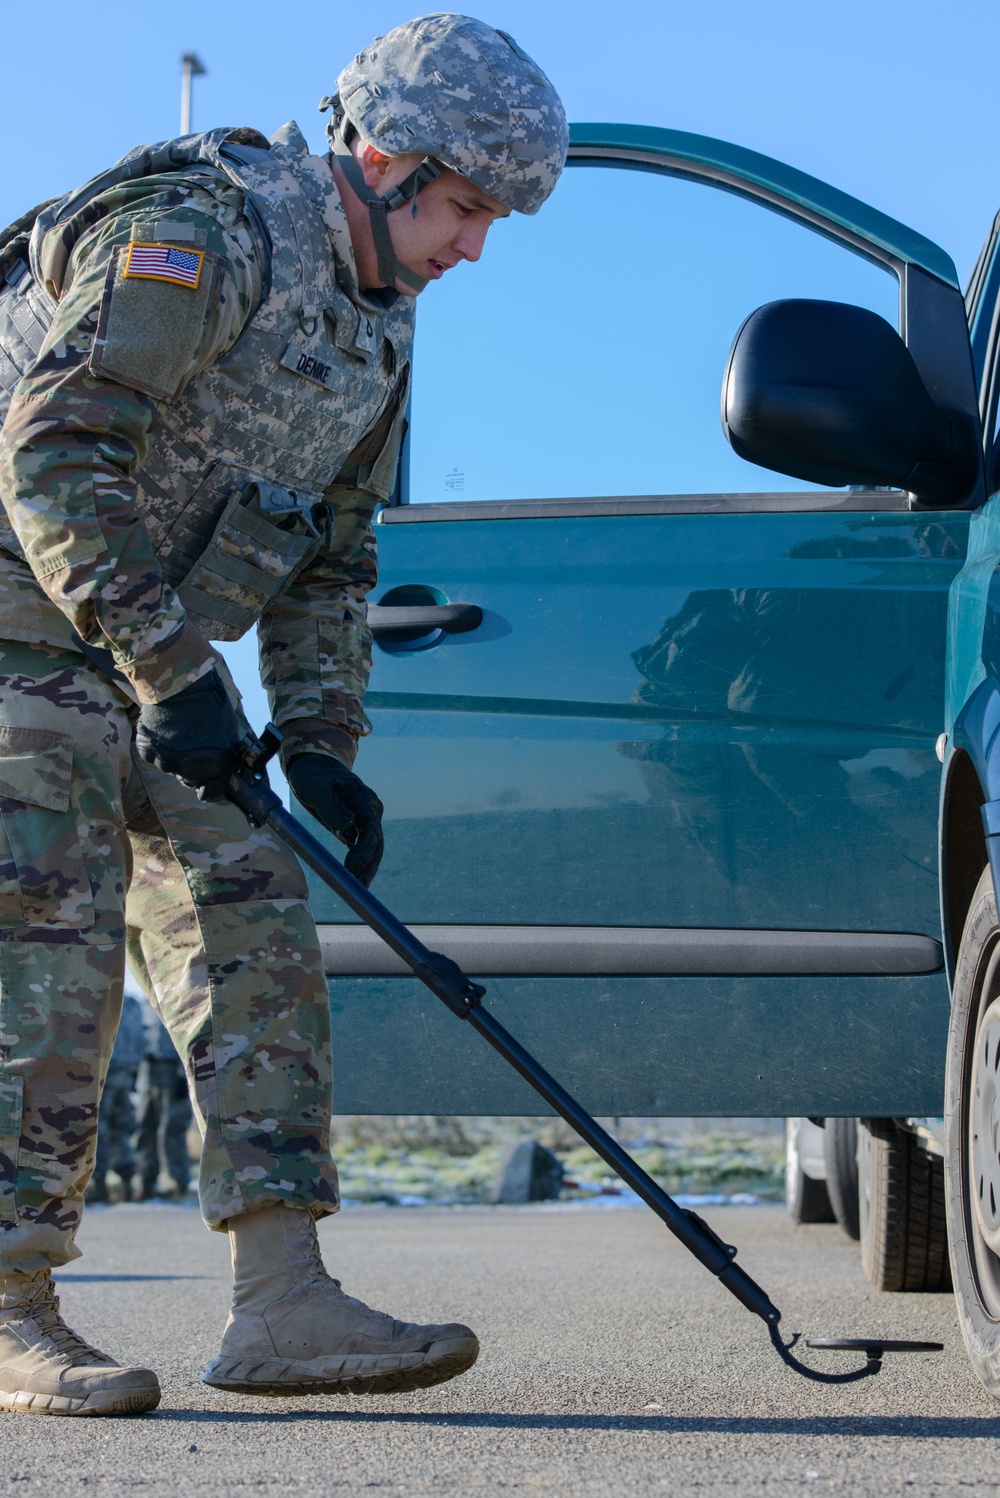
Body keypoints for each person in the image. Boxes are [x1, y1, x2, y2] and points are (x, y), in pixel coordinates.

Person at [0, 13, 566, 1416]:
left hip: (144, 645)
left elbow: (331, 551)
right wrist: (173, 669)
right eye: (464, 206)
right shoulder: (208, 233)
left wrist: (322, 741)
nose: (474, 247)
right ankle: (9, 1302)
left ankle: (282, 1301)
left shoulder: (380, 327)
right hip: (21, 612)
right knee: (49, 927)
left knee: (249, 901)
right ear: (382, 158)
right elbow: (55, 450)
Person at [85, 990, 146, 1205]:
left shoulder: (100, 1000)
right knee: (122, 1127)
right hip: (127, 1073)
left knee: (99, 1127)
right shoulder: (132, 1005)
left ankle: (99, 1183)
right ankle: (127, 1180)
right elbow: (142, 1040)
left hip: (106, 1073)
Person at [135, 1006, 194, 1201]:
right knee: (145, 1130)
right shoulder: (145, 1002)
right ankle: (147, 1183)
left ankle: (178, 1185)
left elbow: (190, 1037)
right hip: (149, 1071)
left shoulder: (178, 995)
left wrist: (182, 1076)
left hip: (174, 1073)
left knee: (171, 1131)